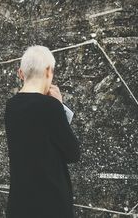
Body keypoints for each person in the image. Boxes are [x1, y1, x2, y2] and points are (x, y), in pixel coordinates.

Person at [4, 45, 81, 218]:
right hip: (51, 203)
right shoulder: (51, 107)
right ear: (48, 71)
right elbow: (73, 153)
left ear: (21, 73)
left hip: (20, 203)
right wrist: (59, 105)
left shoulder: (12, 106)